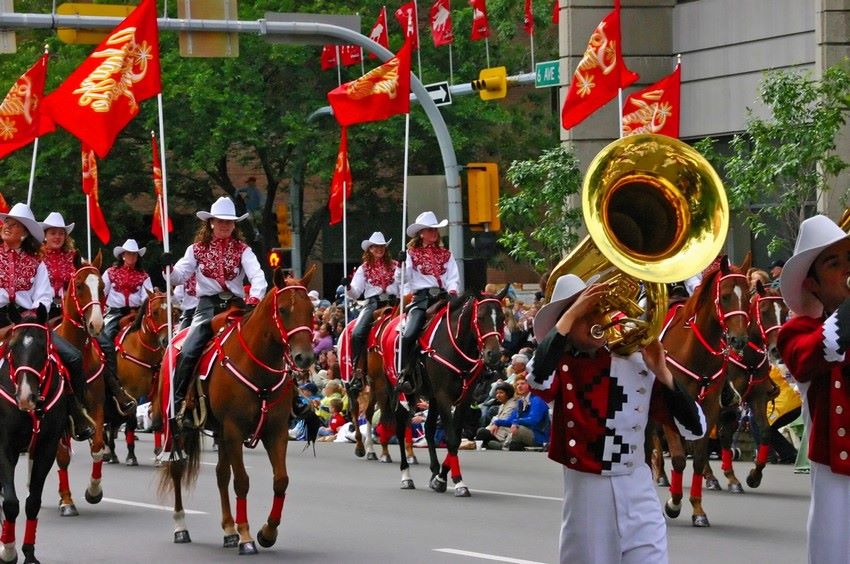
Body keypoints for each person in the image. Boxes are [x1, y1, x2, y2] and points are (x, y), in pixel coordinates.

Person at [528, 273, 705, 564]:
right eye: (587, 313)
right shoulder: (561, 365)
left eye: (600, 309)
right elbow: (537, 378)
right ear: (568, 324)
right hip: (588, 491)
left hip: (638, 485)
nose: (597, 320)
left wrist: (662, 372)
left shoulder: (637, 363)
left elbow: (695, 428)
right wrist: (573, 313)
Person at [776, 214, 850, 563]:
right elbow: (826, 346)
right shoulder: (797, 333)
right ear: (812, 285)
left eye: (849, 258)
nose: (846, 269)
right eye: (834, 263)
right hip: (836, 474)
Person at [166, 196, 267, 427]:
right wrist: (169, 268)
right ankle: (180, 403)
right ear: (210, 222)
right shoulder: (196, 249)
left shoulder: (243, 250)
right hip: (207, 307)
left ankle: (287, 398)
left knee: (268, 339)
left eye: (229, 222)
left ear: (234, 225)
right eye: (220, 221)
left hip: (237, 305)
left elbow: (257, 275)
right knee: (188, 349)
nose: (224, 225)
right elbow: (180, 275)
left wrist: (255, 297)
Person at [0, 203, 94, 441]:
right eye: (7, 222)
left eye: (13, 224)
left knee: (72, 356)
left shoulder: (36, 262)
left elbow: (43, 295)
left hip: (27, 319)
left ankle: (76, 414)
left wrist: (32, 316)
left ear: (24, 232)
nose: (7, 226)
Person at [395, 211, 460, 393]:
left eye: (435, 230)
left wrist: (453, 290)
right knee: (409, 334)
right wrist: (401, 265)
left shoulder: (446, 254)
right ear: (421, 233)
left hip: (443, 296)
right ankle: (405, 373)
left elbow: (453, 276)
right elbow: (403, 278)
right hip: (422, 299)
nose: (434, 233)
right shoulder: (411, 253)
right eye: (430, 230)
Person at [95, 239, 151, 415]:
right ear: (122, 255)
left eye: (134, 254)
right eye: (128, 253)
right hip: (115, 313)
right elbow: (100, 292)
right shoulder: (110, 273)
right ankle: (108, 373)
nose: (131, 257)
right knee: (106, 339)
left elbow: (146, 297)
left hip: (136, 313)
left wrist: (141, 312)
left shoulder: (144, 276)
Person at [344, 231, 400, 389]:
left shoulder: (396, 265)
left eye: (382, 246)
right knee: (357, 333)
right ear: (369, 249)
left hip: (394, 303)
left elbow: (403, 285)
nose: (379, 249)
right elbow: (355, 293)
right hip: (374, 304)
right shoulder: (364, 269)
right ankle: (358, 370)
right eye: (375, 246)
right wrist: (348, 287)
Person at [39, 212, 77, 318]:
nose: (57, 236)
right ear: (45, 235)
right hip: (41, 307)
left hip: (68, 306)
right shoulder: (36, 255)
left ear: (65, 237)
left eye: (61, 233)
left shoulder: (73, 257)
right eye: (53, 233)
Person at [502, 375, 550, 451]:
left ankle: (505, 444)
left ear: (530, 385)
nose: (519, 386)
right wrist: (496, 423)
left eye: (523, 383)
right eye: (517, 384)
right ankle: (510, 445)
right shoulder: (520, 402)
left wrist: (517, 421)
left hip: (539, 436)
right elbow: (511, 420)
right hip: (527, 432)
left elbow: (534, 419)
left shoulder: (537, 399)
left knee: (518, 429)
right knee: (514, 445)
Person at [474, 381, 518, 449]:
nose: (498, 395)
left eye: (501, 393)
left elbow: (504, 421)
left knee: (482, 432)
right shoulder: (503, 405)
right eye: (497, 393)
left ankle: (480, 445)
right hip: (496, 431)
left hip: (503, 434)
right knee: (482, 431)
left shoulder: (512, 405)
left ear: (508, 393)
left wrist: (496, 423)